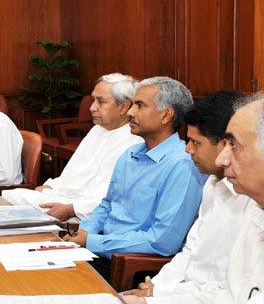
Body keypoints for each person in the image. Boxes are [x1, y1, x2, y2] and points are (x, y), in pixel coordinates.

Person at [123, 94, 264, 303]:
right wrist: (156, 294)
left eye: (233, 145)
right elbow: (230, 288)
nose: (222, 158)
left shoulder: (248, 202)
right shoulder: (237, 197)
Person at [64, 76, 205, 280]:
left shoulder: (182, 166)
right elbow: (107, 205)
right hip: (100, 250)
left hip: (131, 264)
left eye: (140, 105)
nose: (130, 112)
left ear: (166, 115)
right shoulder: (129, 155)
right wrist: (86, 231)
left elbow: (161, 241)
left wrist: (93, 242)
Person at [1, 73, 142, 221]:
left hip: (83, 212)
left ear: (123, 106)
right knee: (12, 196)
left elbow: (111, 198)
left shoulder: (135, 141)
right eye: (93, 100)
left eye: (100, 102)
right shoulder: (98, 129)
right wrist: (51, 186)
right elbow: (74, 171)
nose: (92, 108)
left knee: (12, 203)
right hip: (64, 198)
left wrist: (71, 209)